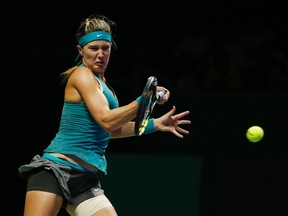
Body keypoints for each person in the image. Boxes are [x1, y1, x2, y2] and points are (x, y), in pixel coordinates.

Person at [18, 14, 191, 216]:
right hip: (56, 171)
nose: (100, 54)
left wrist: (154, 124)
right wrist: (144, 100)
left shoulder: (105, 87)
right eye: (94, 48)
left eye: (105, 48)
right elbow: (106, 121)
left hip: (85, 181)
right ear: (80, 50)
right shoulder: (81, 75)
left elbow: (109, 130)